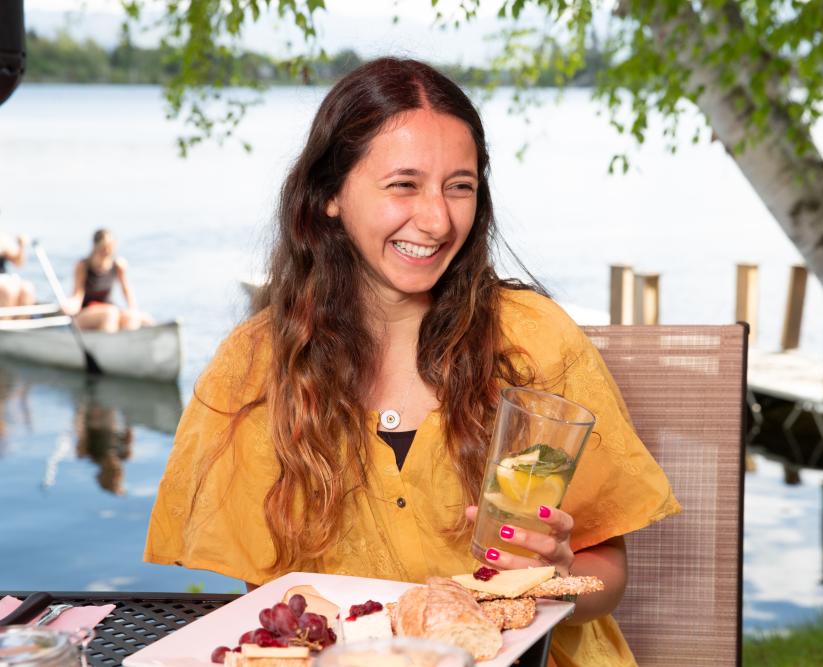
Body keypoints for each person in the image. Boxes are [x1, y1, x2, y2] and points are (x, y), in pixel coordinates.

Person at [144, 58, 680, 666]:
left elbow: (606, 573)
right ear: (329, 196)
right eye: (404, 184)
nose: (437, 219)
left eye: (460, 185)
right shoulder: (256, 368)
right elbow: (276, 607)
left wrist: (555, 575)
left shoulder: (534, 344)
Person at [68, 229, 153, 332]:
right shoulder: (83, 266)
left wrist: (133, 309)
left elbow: (126, 289)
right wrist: (69, 306)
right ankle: (108, 344)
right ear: (95, 247)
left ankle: (130, 342)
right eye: (104, 247)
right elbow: (78, 294)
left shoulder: (117, 265)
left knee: (136, 317)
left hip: (109, 307)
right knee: (110, 314)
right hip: (87, 311)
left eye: (110, 246)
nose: (107, 251)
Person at [0, 231, 36, 311]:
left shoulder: (2, 238)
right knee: (8, 289)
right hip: (4, 284)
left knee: (27, 289)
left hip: (4, 278)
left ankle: (23, 321)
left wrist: (21, 246)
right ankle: (5, 321)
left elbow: (18, 263)